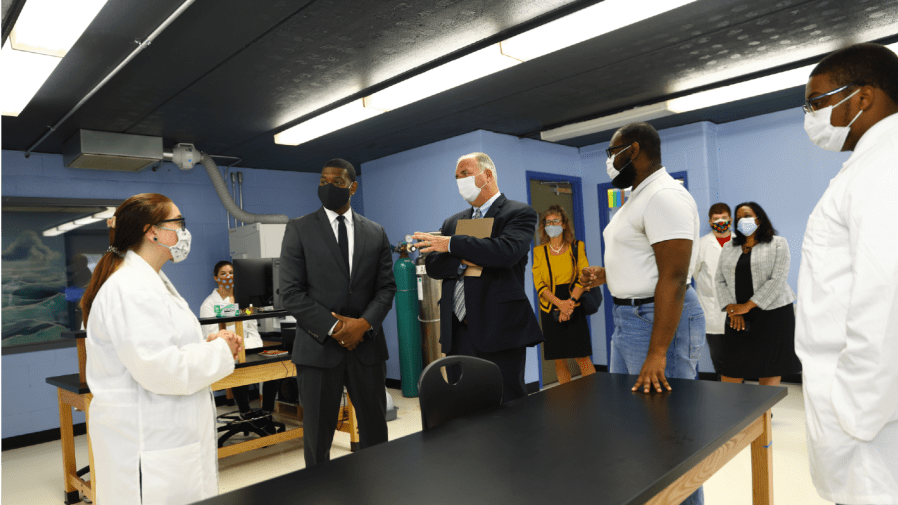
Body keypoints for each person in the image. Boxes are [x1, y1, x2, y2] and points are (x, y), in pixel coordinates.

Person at [81, 193, 243, 505]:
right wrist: (220, 352)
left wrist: (208, 345)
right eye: (179, 223)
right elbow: (160, 370)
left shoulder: (150, 282)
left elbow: (165, 348)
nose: (184, 232)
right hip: (148, 446)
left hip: (162, 436)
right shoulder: (130, 289)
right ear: (152, 231)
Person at [579, 122, 703, 505]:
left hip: (654, 321)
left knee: (670, 434)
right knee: (632, 426)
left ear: (633, 150)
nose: (609, 161)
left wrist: (658, 352)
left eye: (611, 152)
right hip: (629, 319)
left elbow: (675, 275)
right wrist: (607, 274)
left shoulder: (665, 196)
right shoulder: (638, 197)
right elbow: (646, 260)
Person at [797, 43, 898, 504]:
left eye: (817, 102)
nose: (811, 115)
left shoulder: (884, 167)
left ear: (862, 98)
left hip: (868, 423)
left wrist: (856, 414)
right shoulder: (869, 165)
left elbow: (885, 294)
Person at [279, 158, 396, 467]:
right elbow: (290, 292)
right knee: (318, 438)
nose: (328, 187)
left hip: (367, 348)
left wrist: (363, 324)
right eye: (323, 181)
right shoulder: (299, 229)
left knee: (374, 430)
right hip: (317, 350)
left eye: (337, 183)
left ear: (352, 187)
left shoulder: (376, 232)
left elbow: (386, 288)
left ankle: (380, 490)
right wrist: (336, 329)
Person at [415, 152, 544, 403]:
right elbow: (434, 266)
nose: (460, 180)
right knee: (463, 404)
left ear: (487, 175)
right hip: (457, 330)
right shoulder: (452, 221)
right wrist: (467, 255)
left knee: (505, 403)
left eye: (465, 173)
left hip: (499, 327)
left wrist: (453, 245)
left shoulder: (517, 213)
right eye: (456, 177)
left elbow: (506, 253)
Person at [714, 202, 801, 385]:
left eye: (746, 216)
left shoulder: (778, 243)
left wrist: (747, 306)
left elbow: (777, 279)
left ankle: (765, 414)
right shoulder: (729, 247)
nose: (741, 220)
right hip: (737, 316)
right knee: (731, 370)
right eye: (738, 218)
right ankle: (734, 414)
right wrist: (732, 309)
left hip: (773, 314)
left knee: (768, 369)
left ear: (759, 219)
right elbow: (720, 279)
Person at [200, 260, 279, 434]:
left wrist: (244, 341)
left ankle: (266, 413)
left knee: (274, 368)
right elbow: (211, 336)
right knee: (238, 370)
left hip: (251, 347)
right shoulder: (208, 305)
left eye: (232, 273)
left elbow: (252, 330)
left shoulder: (246, 301)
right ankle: (245, 413)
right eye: (223, 273)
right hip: (228, 352)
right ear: (216, 278)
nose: (228, 276)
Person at [531, 205, 596, 384]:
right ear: (543, 226)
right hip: (550, 306)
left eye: (556, 221)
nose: (552, 225)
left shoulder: (577, 247)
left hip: (574, 303)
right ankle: (566, 405)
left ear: (564, 224)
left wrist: (569, 304)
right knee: (559, 360)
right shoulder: (539, 252)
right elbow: (539, 284)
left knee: (582, 357)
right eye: (548, 222)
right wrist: (560, 305)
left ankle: (594, 400)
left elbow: (584, 277)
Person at [693, 203, 732, 377]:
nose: (720, 221)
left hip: (738, 310)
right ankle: (725, 395)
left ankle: (743, 396)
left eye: (724, 218)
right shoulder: (702, 244)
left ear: (730, 219)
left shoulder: (741, 242)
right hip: (712, 311)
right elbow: (693, 272)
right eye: (716, 219)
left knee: (739, 357)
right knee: (719, 360)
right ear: (710, 221)